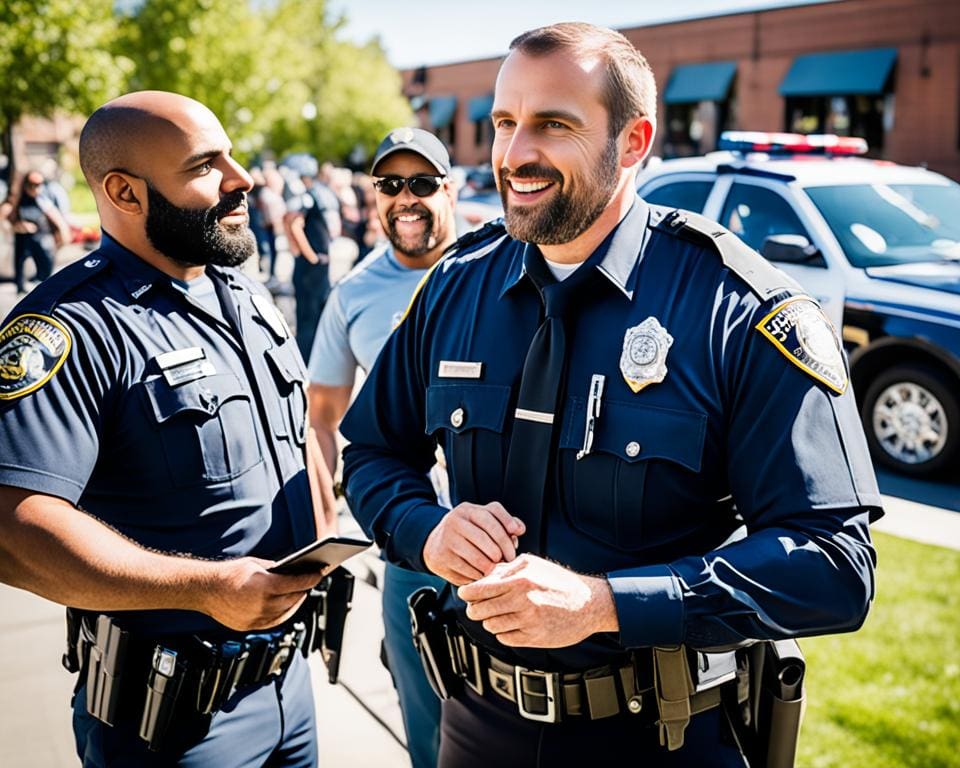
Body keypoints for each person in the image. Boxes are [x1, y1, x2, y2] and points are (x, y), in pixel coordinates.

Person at [339, 23, 883, 767]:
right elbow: (370, 449)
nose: (515, 153)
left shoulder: (737, 308)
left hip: (659, 735)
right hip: (473, 724)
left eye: (554, 124)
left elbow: (834, 565)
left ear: (633, 142)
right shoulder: (455, 287)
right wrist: (423, 528)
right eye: (504, 123)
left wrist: (607, 605)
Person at [0, 90, 338, 766]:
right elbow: (13, 527)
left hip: (287, 689)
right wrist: (204, 589)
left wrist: (323, 533)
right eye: (205, 166)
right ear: (125, 192)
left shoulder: (240, 292)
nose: (242, 179)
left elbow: (293, 425)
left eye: (232, 156)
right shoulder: (72, 326)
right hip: (172, 721)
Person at [307, 127, 457, 768]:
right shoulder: (354, 295)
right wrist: (319, 533)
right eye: (391, 185)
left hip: (523, 530)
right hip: (416, 540)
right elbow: (324, 414)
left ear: (450, 189)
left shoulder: (503, 262)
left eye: (423, 183)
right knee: (426, 721)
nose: (407, 198)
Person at [284, 155, 342, 360]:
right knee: (308, 318)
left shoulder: (312, 195)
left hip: (316, 268)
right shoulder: (308, 196)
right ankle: (305, 361)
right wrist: (311, 256)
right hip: (311, 269)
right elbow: (293, 224)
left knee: (316, 314)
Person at [6, 170, 69, 295]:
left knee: (45, 274)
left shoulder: (44, 199)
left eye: (39, 184)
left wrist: (63, 235)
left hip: (42, 240)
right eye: (32, 184)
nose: (36, 188)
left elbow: (57, 219)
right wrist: (17, 226)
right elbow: (7, 217)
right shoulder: (17, 199)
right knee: (21, 272)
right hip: (23, 241)